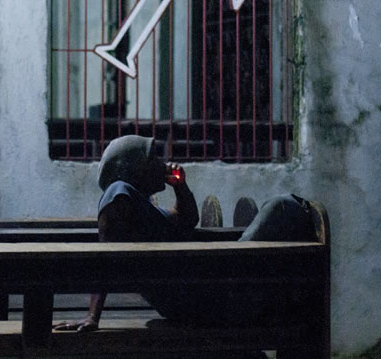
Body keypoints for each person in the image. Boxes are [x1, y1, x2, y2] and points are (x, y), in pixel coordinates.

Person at [54, 134, 315, 335]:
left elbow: (187, 219)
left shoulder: (144, 208)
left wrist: (181, 186)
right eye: (153, 158)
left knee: (281, 213)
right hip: (202, 299)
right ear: (133, 168)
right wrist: (93, 316)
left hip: (201, 295)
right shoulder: (119, 194)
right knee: (281, 207)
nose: (162, 162)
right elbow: (106, 254)